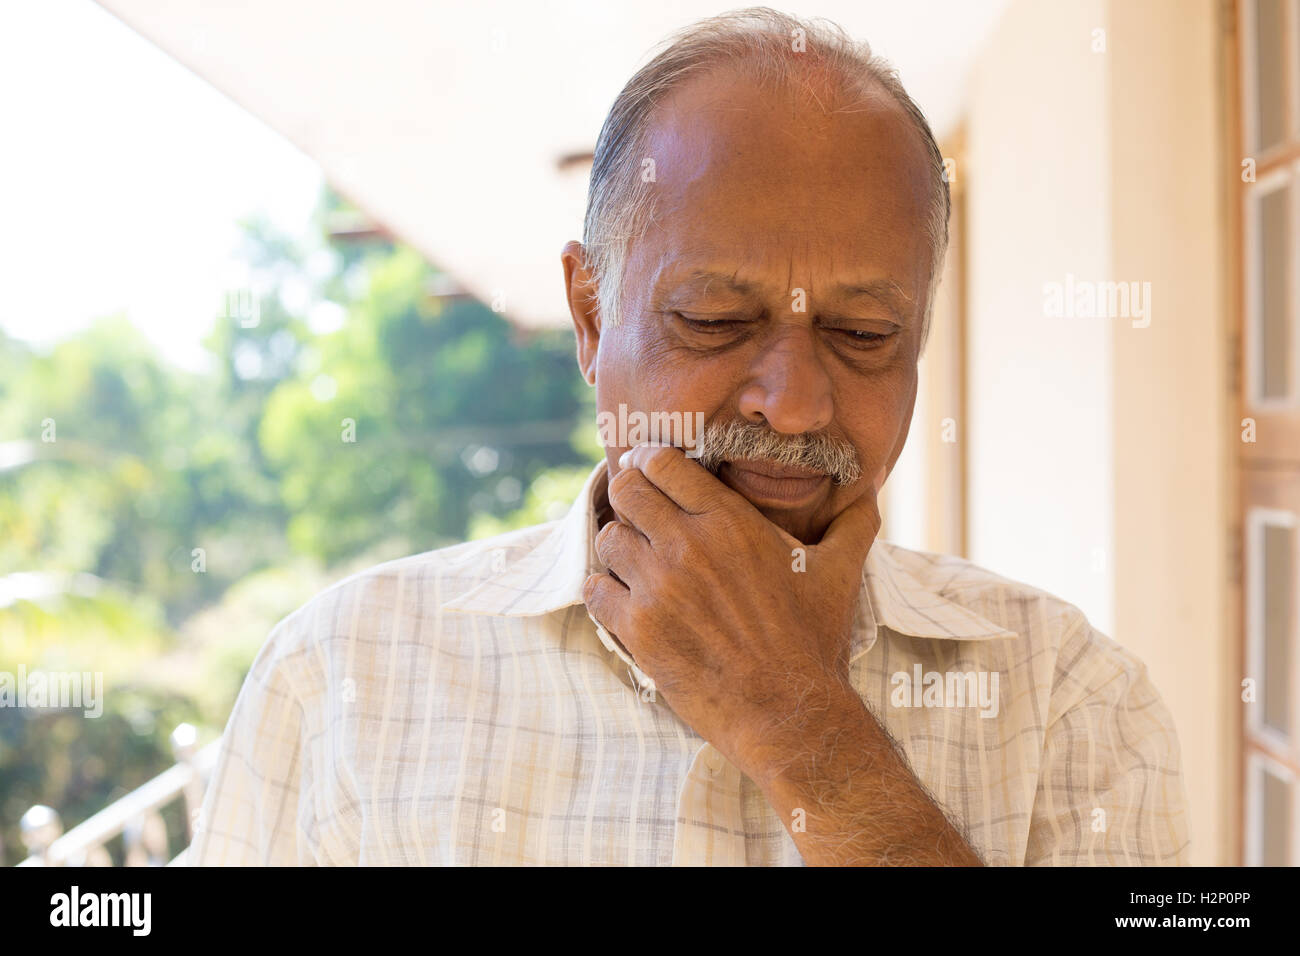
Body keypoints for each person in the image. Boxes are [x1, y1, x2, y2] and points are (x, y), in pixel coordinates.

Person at [190, 7, 1190, 866]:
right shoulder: (344, 679)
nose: (794, 404)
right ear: (589, 315)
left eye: (863, 333)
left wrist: (801, 724)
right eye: (713, 319)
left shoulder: (1071, 700)